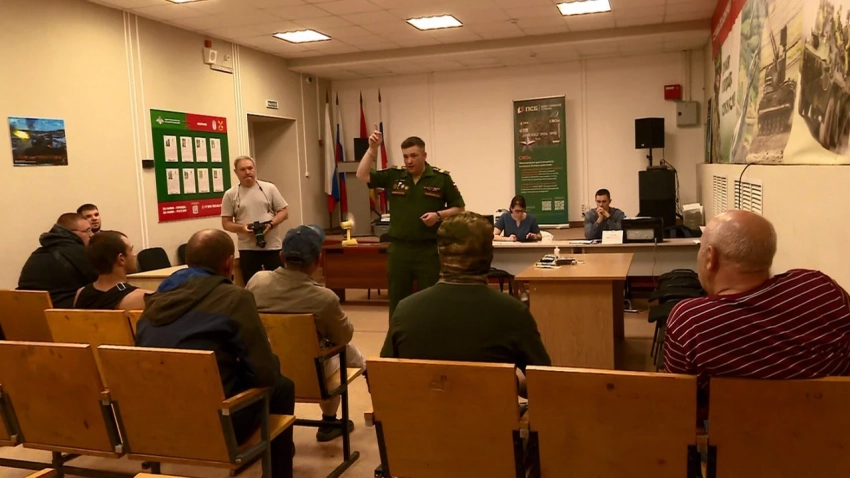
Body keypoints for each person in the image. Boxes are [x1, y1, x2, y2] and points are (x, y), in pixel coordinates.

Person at [135, 229, 294, 478]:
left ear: (187, 261)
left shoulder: (155, 299)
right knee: (282, 385)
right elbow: (263, 374)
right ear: (229, 263)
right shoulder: (235, 298)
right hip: (218, 423)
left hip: (158, 418)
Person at [664, 211, 850, 420]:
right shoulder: (822, 289)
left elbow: (677, 408)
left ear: (710, 257)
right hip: (833, 432)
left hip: (733, 438)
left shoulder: (690, 321)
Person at [381, 212, 551, 382]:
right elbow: (544, 382)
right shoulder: (514, 313)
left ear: (440, 254)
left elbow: (382, 379)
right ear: (489, 255)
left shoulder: (405, 310)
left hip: (422, 399)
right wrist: (515, 384)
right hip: (488, 399)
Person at [247, 224, 365, 443]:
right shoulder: (324, 298)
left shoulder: (257, 282)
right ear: (319, 260)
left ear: (282, 256)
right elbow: (343, 337)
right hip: (312, 376)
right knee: (341, 348)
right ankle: (329, 421)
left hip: (267, 368)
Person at [356, 129, 466, 318]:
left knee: (430, 301)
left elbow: (459, 208)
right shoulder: (395, 175)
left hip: (428, 251)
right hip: (399, 251)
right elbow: (362, 175)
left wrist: (438, 215)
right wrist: (372, 148)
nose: (409, 161)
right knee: (398, 302)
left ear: (424, 155)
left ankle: (430, 334)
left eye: (414, 156)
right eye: (406, 156)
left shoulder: (441, 178)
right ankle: (398, 335)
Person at [221, 155, 289, 283]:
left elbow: (284, 212)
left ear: (255, 169)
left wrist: (271, 224)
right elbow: (226, 223)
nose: (247, 172)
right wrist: (242, 228)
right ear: (236, 172)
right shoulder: (230, 194)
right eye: (243, 169)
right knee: (252, 284)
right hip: (248, 249)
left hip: (272, 246)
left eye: (250, 168)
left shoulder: (269, 188)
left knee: (279, 282)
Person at [18, 213, 98, 308]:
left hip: (27, 309)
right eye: (87, 231)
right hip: (60, 311)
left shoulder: (38, 253)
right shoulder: (78, 252)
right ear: (72, 233)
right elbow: (100, 281)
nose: (91, 235)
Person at [74, 230, 151, 310]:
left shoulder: (80, 293)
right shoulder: (143, 298)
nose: (134, 254)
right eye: (131, 250)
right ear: (121, 259)